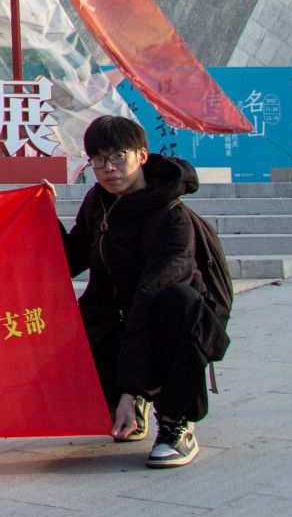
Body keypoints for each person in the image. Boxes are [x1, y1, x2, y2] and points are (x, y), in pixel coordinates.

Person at [62, 116, 228, 469]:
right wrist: (42, 215)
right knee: (70, 322)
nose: (108, 168)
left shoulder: (172, 218)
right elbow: (69, 259)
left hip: (175, 323)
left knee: (176, 303)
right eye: (98, 159)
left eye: (118, 156)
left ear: (141, 155)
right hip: (123, 316)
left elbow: (150, 297)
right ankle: (130, 405)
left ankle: (176, 422)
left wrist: (131, 387)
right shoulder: (99, 202)